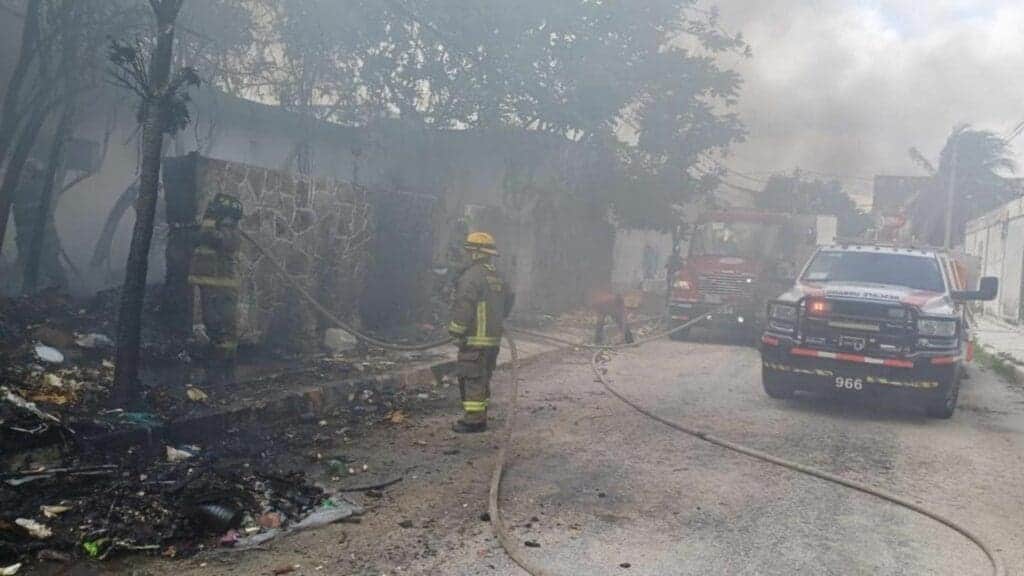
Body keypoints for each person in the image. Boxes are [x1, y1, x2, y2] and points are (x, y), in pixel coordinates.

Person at [447, 231, 514, 433]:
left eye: (468, 252)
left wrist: (455, 330)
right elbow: (509, 300)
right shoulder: (498, 276)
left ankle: (474, 421)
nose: (465, 255)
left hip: (474, 339)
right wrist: (497, 320)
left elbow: (464, 306)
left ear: (475, 253)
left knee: (472, 378)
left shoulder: (471, 277)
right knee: (483, 377)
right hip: (493, 340)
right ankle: (481, 413)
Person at [188, 193, 243, 386]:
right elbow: (198, 238)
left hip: (223, 289)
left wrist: (210, 219)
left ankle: (223, 372)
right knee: (214, 328)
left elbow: (213, 238)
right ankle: (218, 373)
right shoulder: (211, 229)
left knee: (224, 330)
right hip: (209, 287)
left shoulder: (231, 233)